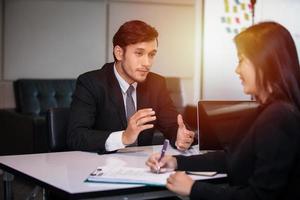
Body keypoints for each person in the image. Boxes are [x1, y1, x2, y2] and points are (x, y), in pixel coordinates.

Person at [146, 21, 300, 200]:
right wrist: (175, 161)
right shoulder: (268, 112)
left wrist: (193, 189)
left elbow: (260, 197)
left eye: (242, 59)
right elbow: (231, 158)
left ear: (264, 62)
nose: (237, 69)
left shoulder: (278, 117)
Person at [67, 20, 195, 154]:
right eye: (139, 53)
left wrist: (180, 136)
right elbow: (76, 136)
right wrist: (124, 137)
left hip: (143, 166)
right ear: (119, 53)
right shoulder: (90, 83)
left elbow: (172, 125)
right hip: (100, 165)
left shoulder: (156, 84)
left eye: (151, 54)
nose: (147, 63)